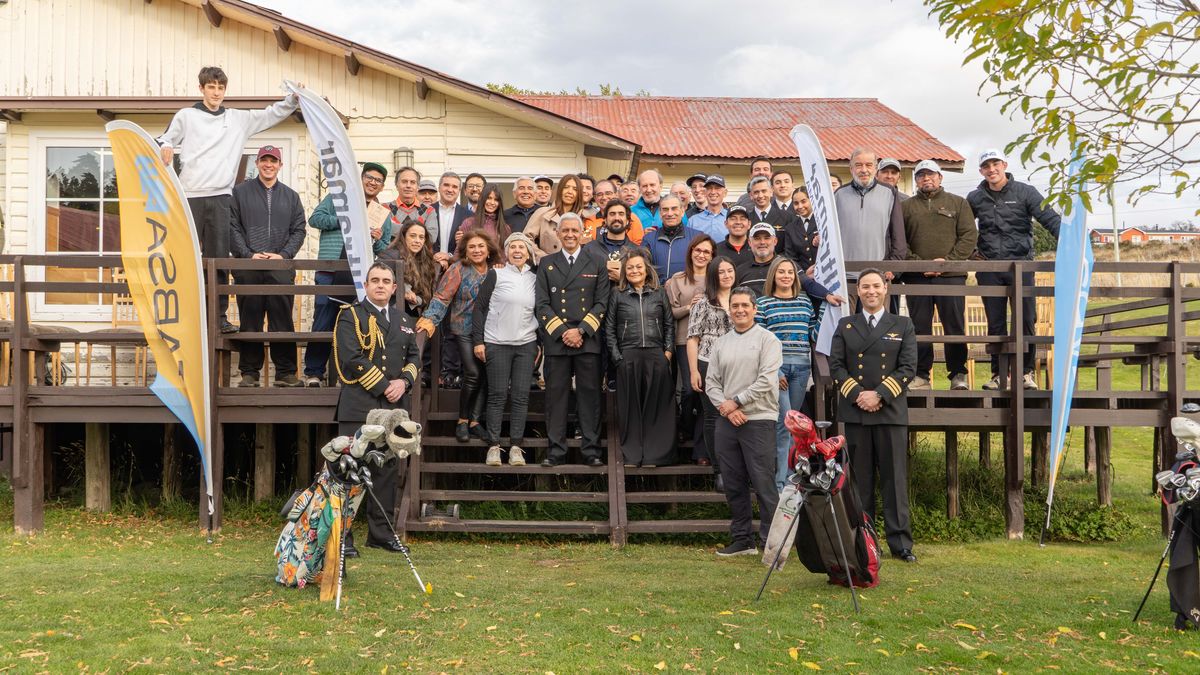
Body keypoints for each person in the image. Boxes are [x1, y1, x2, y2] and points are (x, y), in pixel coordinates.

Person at [157, 66, 300, 334]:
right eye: (211, 87)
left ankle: (218, 316)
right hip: (190, 196)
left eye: (220, 88)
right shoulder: (186, 116)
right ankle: (184, 316)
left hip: (222, 196)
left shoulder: (238, 119)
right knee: (185, 257)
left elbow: (271, 114)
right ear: (201, 89)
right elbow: (165, 138)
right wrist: (166, 145)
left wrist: (293, 100)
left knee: (219, 259)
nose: (216, 92)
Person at [829, 268, 918, 563]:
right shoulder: (846, 325)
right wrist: (859, 395)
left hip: (890, 411)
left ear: (885, 289)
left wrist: (879, 394)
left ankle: (900, 543)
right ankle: (864, 541)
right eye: (865, 286)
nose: (871, 291)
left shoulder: (902, 324)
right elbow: (837, 367)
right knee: (860, 483)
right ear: (858, 291)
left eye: (876, 286)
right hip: (856, 413)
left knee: (894, 480)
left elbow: (907, 367)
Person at [332, 262, 421, 556]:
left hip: (393, 408)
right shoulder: (351, 316)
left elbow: (414, 357)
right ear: (366, 286)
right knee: (349, 471)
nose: (381, 285)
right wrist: (385, 385)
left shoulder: (404, 319)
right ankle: (342, 537)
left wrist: (404, 382)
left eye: (386, 281)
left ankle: (381, 534)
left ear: (395, 288)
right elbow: (350, 358)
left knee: (386, 472)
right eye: (375, 280)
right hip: (360, 404)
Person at [968, 149, 1062, 391]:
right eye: (986, 166)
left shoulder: (1025, 192)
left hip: (1021, 265)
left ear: (1005, 165)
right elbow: (963, 230)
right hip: (989, 267)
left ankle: (1025, 373)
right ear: (981, 171)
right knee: (995, 322)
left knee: (1026, 319)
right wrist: (970, 255)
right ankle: (999, 374)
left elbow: (1050, 219)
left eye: (995, 164)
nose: (992, 169)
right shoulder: (975, 198)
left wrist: (1070, 245)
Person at [706, 286, 783, 556]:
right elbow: (711, 383)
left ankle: (772, 543)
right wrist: (728, 409)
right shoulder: (721, 342)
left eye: (745, 306)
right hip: (728, 421)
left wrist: (737, 402)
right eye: (735, 306)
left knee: (763, 482)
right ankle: (742, 539)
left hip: (758, 419)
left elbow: (766, 381)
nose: (740, 310)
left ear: (754, 309)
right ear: (730, 310)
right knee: (733, 482)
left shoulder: (768, 340)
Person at [303, 162, 392, 387]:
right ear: (361, 179)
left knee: (354, 325)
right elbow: (315, 219)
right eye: (369, 177)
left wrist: (378, 236)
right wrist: (345, 221)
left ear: (382, 187)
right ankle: (314, 372)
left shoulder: (381, 213)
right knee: (323, 319)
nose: (373, 182)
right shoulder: (339, 199)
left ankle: (349, 375)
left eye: (378, 181)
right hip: (330, 269)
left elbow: (382, 247)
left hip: (360, 274)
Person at [536, 213, 610, 467]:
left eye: (574, 231)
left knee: (589, 397)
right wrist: (563, 332)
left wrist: (581, 331)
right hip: (557, 341)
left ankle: (591, 451)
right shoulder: (546, 263)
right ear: (558, 233)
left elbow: (602, 303)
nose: (569, 235)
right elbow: (542, 305)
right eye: (565, 230)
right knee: (556, 398)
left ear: (582, 234)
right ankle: (556, 451)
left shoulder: (597, 261)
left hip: (587, 340)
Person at [229, 145, 307, 388]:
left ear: (280, 165)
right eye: (264, 160)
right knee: (250, 318)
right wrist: (247, 254)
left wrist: (283, 255)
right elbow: (232, 227)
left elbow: (299, 229)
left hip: (279, 267)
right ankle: (249, 373)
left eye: (273, 161)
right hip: (248, 267)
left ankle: (285, 373)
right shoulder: (240, 193)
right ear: (257, 163)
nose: (269, 165)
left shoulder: (291, 196)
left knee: (282, 320)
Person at [417, 230, 500, 442]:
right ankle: (462, 420)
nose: (477, 250)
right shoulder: (458, 269)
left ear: (489, 249)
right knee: (472, 373)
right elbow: (442, 297)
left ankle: (475, 421)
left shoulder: (497, 270)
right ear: (465, 250)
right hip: (464, 328)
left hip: (492, 331)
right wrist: (430, 319)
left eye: (481, 246)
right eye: (472, 247)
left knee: (487, 375)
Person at [902, 160, 978, 391]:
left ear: (940, 177)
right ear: (916, 180)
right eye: (922, 175)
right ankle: (921, 374)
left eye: (931, 175)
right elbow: (899, 241)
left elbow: (968, 236)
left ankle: (958, 374)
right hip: (917, 277)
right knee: (919, 327)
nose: (927, 179)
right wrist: (919, 265)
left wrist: (947, 263)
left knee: (954, 326)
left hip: (951, 277)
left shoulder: (958, 203)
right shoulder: (905, 207)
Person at [472, 232, 539, 467]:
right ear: (507, 252)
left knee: (521, 396)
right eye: (513, 247)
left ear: (529, 252)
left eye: (522, 247)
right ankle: (493, 446)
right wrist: (478, 341)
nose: (518, 251)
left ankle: (516, 447)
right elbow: (479, 308)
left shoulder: (535, 278)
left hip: (526, 343)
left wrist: (539, 343)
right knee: (498, 395)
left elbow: (539, 310)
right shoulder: (496, 274)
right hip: (497, 343)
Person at [606, 248, 676, 466]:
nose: (635, 270)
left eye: (638, 267)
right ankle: (632, 454)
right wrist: (617, 356)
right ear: (624, 272)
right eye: (630, 268)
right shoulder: (617, 294)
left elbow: (668, 324)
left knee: (656, 407)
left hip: (656, 354)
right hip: (628, 354)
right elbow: (608, 328)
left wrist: (667, 352)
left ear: (646, 270)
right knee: (631, 408)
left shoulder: (659, 292)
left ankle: (655, 455)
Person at [754, 257, 816, 492]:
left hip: (801, 367)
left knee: (794, 423)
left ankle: (789, 474)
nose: (786, 276)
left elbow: (812, 331)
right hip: (777, 370)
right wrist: (774, 370)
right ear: (774, 275)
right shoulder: (763, 303)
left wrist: (829, 311)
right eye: (781, 272)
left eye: (790, 272)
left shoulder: (804, 302)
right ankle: (782, 481)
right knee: (784, 424)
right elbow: (760, 340)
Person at [665, 235, 716, 463]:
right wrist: (689, 306)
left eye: (706, 252)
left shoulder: (716, 279)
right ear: (691, 252)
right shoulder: (677, 280)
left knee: (706, 394)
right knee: (688, 390)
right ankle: (685, 425)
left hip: (712, 343)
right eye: (698, 250)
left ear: (712, 256)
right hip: (685, 340)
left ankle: (700, 449)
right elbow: (670, 313)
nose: (701, 255)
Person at [688, 257, 737, 468]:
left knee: (738, 413)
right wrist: (693, 371)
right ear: (713, 276)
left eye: (730, 271)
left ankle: (738, 468)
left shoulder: (743, 299)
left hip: (739, 365)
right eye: (721, 272)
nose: (727, 276)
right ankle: (719, 469)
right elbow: (692, 338)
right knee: (713, 416)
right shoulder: (703, 303)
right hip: (709, 363)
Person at [835, 149, 907, 285]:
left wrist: (893, 266)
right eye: (858, 165)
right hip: (845, 276)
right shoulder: (839, 194)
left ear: (875, 168)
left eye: (868, 165)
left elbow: (898, 234)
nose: (864, 170)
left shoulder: (889, 193)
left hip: (878, 275)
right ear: (851, 169)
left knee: (878, 307)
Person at [378, 220, 439, 318]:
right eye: (413, 236)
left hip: (409, 312)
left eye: (421, 237)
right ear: (404, 236)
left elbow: (427, 293)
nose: (417, 241)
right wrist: (403, 290)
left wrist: (417, 299)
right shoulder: (390, 255)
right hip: (386, 311)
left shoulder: (425, 260)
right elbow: (378, 282)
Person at [524, 174, 584, 261]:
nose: (570, 192)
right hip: (548, 268)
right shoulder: (543, 213)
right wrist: (544, 259)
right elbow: (525, 239)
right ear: (560, 190)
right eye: (566, 187)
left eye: (575, 189)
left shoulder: (585, 217)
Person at [642, 196, 701, 281]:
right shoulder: (649, 239)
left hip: (687, 291)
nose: (669, 213)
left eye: (674, 209)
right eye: (665, 209)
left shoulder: (697, 237)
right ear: (660, 213)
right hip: (657, 291)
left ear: (682, 211)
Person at [427, 171, 471, 267]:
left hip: (457, 268)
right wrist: (434, 256)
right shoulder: (427, 211)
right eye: (446, 185)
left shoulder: (468, 216)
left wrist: (450, 256)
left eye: (454, 187)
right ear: (439, 188)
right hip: (429, 266)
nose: (450, 190)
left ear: (459, 191)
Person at [457, 183, 512, 256]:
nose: (492, 203)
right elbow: (459, 251)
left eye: (496, 200)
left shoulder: (505, 228)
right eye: (489, 198)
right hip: (471, 266)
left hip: (496, 267)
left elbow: (506, 254)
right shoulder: (468, 223)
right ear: (482, 199)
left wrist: (500, 263)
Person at [388, 166, 433, 252]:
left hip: (419, 261)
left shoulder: (429, 211)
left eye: (412, 182)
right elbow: (383, 235)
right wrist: (419, 232)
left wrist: (394, 228)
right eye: (404, 181)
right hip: (392, 260)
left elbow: (430, 237)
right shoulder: (385, 209)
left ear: (417, 186)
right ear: (396, 185)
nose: (408, 185)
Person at [747, 175, 795, 251]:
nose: (760, 195)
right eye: (756, 192)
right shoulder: (746, 219)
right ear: (751, 195)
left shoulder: (787, 217)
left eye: (764, 191)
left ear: (771, 192)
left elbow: (791, 248)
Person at [784, 186, 820, 272]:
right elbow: (791, 257)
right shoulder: (790, 228)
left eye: (804, 201)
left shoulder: (822, 222)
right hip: (803, 277)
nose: (800, 206)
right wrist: (803, 275)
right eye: (796, 203)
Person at [690, 175, 729, 241]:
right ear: (705, 192)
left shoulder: (731, 218)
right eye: (709, 188)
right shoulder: (693, 221)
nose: (713, 192)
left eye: (717, 188)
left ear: (725, 193)